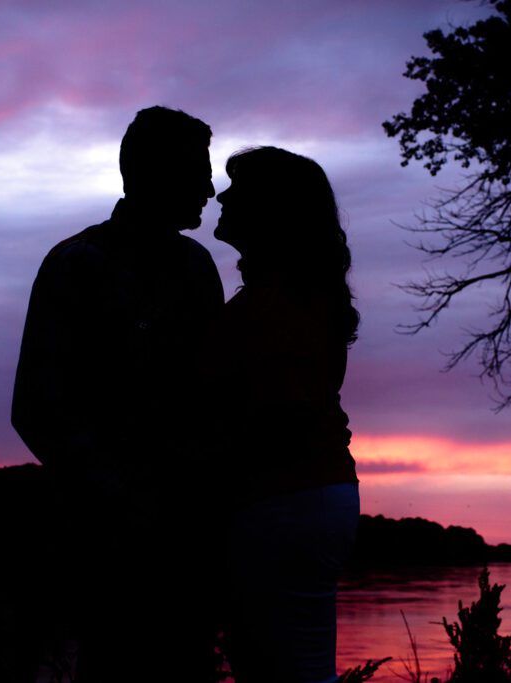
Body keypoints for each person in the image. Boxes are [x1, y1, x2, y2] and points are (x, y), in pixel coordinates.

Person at [11, 106, 224, 681]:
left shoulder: (200, 268)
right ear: (153, 173)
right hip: (106, 550)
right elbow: (35, 408)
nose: (209, 187)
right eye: (196, 170)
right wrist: (123, 499)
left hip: (189, 547)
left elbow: (215, 397)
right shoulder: (76, 265)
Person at [206, 146, 361, 683]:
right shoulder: (292, 296)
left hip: (286, 502)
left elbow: (277, 416)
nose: (221, 196)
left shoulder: (281, 305)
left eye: (237, 189)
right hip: (305, 497)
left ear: (271, 209)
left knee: (287, 673)